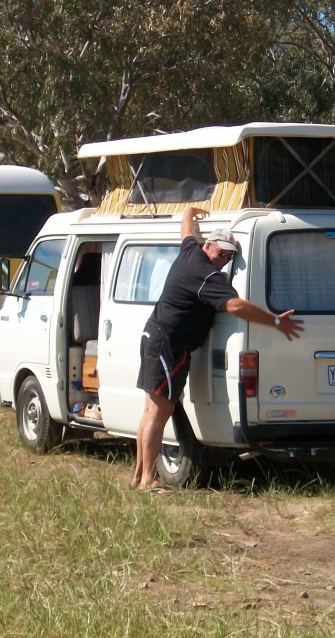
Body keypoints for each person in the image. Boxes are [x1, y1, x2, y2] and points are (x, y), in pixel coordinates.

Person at [132, 206, 304, 491]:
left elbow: (187, 231)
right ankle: (148, 480)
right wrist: (275, 321)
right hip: (169, 345)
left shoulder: (190, 251)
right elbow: (234, 305)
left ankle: (139, 477)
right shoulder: (205, 275)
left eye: (229, 257)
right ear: (208, 245)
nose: (224, 260)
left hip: (156, 337)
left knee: (151, 410)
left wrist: (189, 212)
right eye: (221, 253)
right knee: (158, 413)